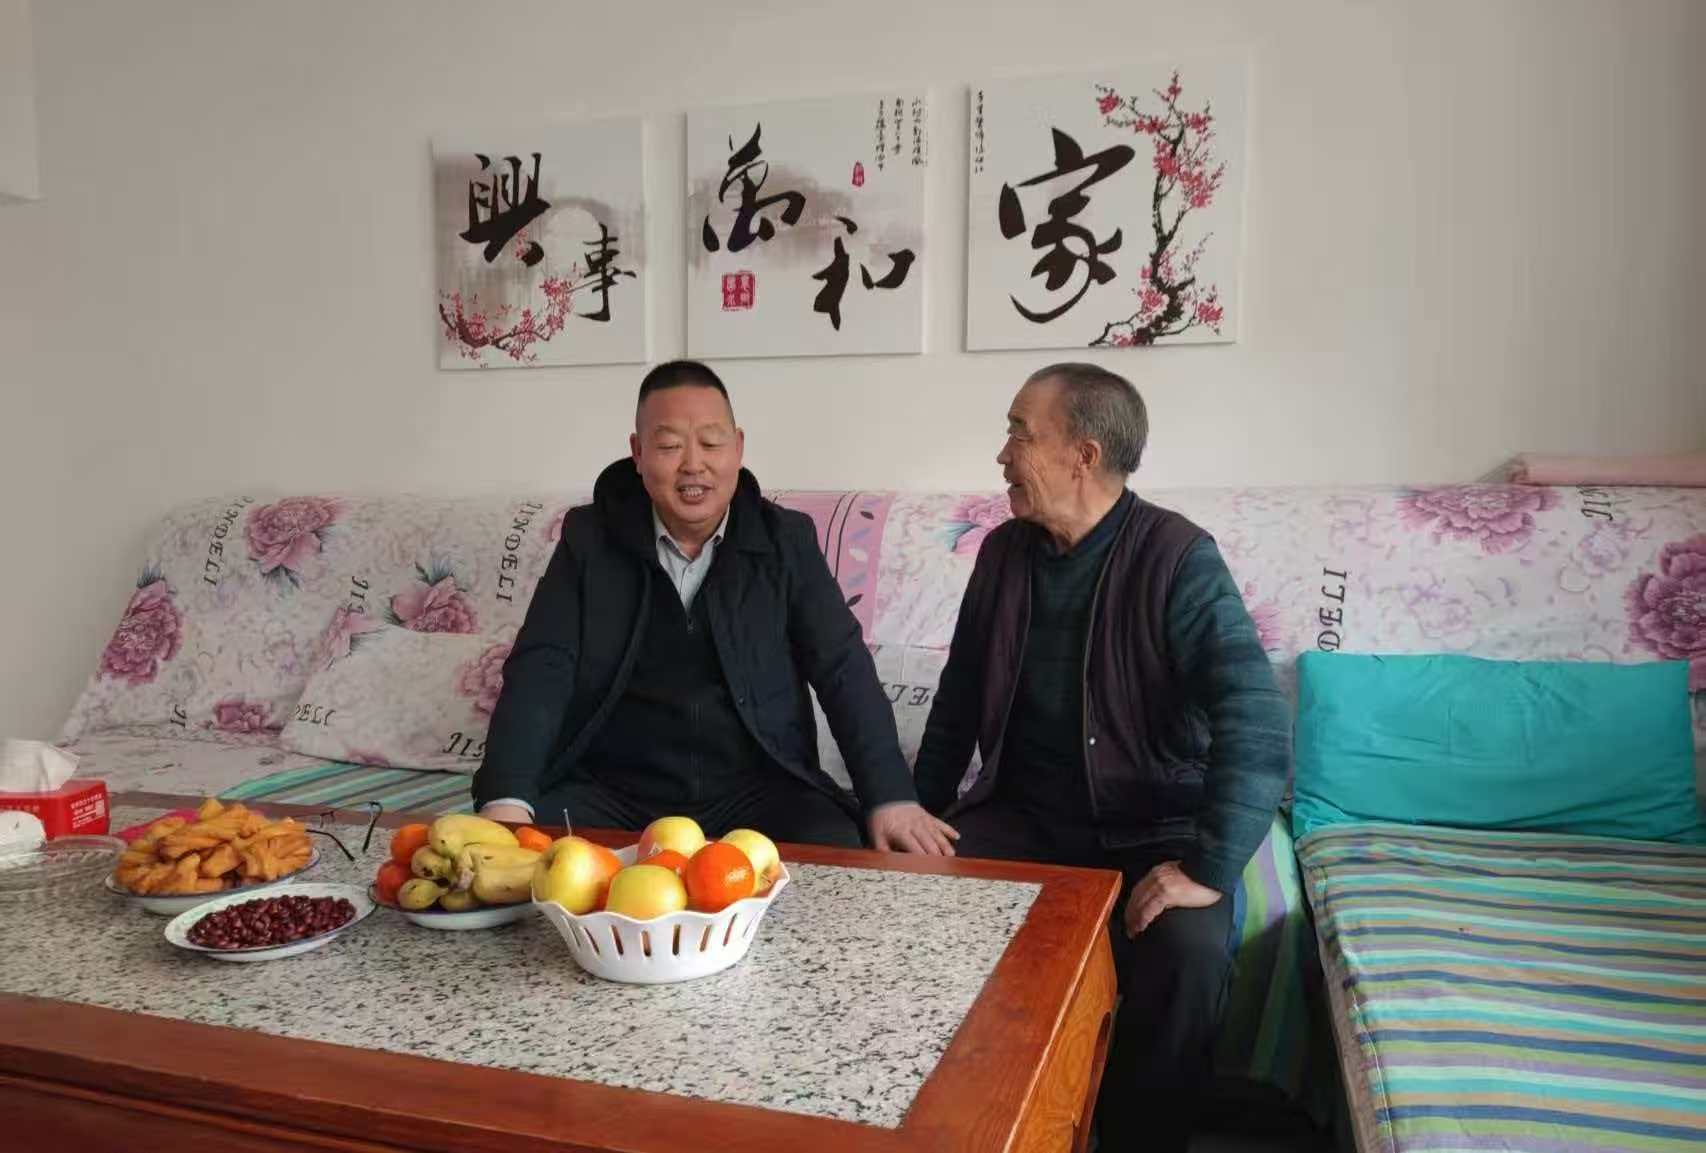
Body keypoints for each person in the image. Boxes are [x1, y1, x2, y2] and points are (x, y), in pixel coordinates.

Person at [912, 363, 1289, 1152]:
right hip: (1021, 817)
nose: (1003, 453)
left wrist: (1209, 867)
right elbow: (957, 698)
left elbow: (1255, 717)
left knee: (1187, 954)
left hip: (1152, 826)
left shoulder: (1177, 558)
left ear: (1082, 455)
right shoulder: (1003, 554)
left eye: (1019, 432)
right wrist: (918, 809)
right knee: (913, 907)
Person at [475, 360, 957, 855]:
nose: (693, 465)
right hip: (614, 791)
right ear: (637, 453)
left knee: (835, 845)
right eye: (669, 446)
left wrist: (890, 797)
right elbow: (542, 666)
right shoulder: (588, 540)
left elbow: (842, 666)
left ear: (738, 447)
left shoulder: (786, 541)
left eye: (710, 443)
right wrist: (506, 798)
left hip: (759, 790)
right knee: (533, 851)